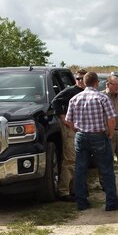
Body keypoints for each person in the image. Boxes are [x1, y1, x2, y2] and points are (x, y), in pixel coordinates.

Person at [65, 72, 118, 212]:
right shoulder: (102, 98)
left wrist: (76, 130)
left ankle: (82, 202)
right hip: (98, 135)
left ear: (84, 83)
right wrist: (110, 133)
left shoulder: (75, 98)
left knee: (80, 170)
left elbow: (68, 120)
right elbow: (111, 119)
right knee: (106, 169)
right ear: (97, 83)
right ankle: (111, 203)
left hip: (81, 136)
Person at [50, 69, 87, 202]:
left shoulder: (88, 93)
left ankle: (75, 189)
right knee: (70, 159)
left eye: (83, 78)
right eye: (78, 79)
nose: (80, 81)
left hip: (84, 129)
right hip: (70, 129)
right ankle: (63, 191)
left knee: (80, 160)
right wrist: (64, 119)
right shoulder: (70, 91)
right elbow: (55, 102)